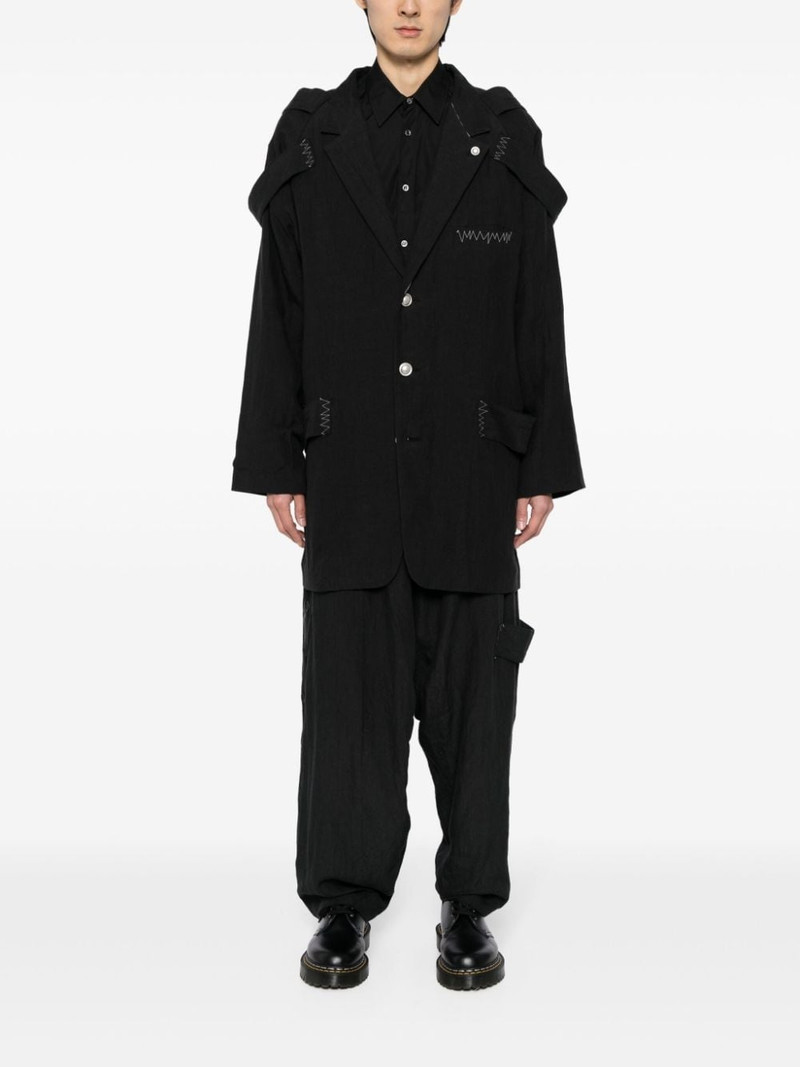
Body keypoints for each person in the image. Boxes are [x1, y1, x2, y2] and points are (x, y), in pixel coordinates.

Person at [231, 0, 585, 991]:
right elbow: (278, 301)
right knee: (348, 699)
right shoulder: (314, 133)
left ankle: (467, 900)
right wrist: (274, 456)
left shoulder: (499, 133)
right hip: (345, 468)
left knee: (475, 698)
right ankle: (341, 902)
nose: (408, 5)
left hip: (472, 470)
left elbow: (536, 300)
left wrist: (541, 461)